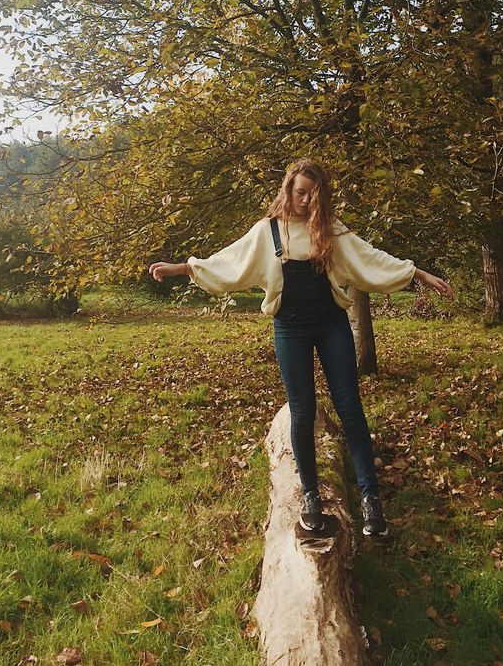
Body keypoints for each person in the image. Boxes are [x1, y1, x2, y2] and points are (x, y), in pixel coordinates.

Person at [149, 157, 454, 538]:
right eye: (300, 192)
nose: (306, 200)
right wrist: (182, 267)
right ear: (288, 189)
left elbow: (371, 259)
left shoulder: (331, 232)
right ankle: (311, 497)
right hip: (289, 330)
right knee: (303, 411)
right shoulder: (268, 232)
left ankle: (371, 502)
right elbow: (229, 261)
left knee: (349, 407)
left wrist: (417, 273)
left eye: (313, 194)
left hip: (331, 326)